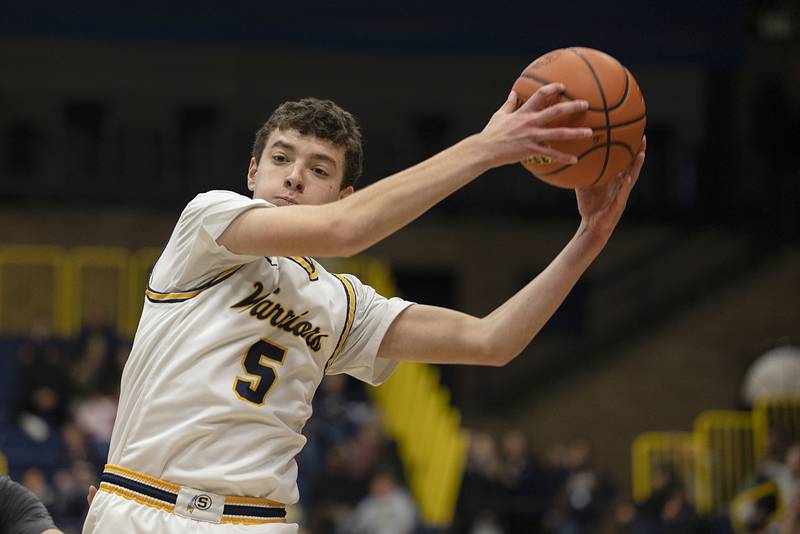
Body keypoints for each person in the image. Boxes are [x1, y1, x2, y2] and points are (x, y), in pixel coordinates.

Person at [83, 87, 646, 533]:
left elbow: (491, 342)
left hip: (256, 521)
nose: (295, 176)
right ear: (252, 172)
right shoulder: (209, 224)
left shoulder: (343, 303)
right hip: (141, 505)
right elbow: (345, 232)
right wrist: (488, 147)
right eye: (281, 158)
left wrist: (589, 238)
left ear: (343, 193)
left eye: (320, 170)